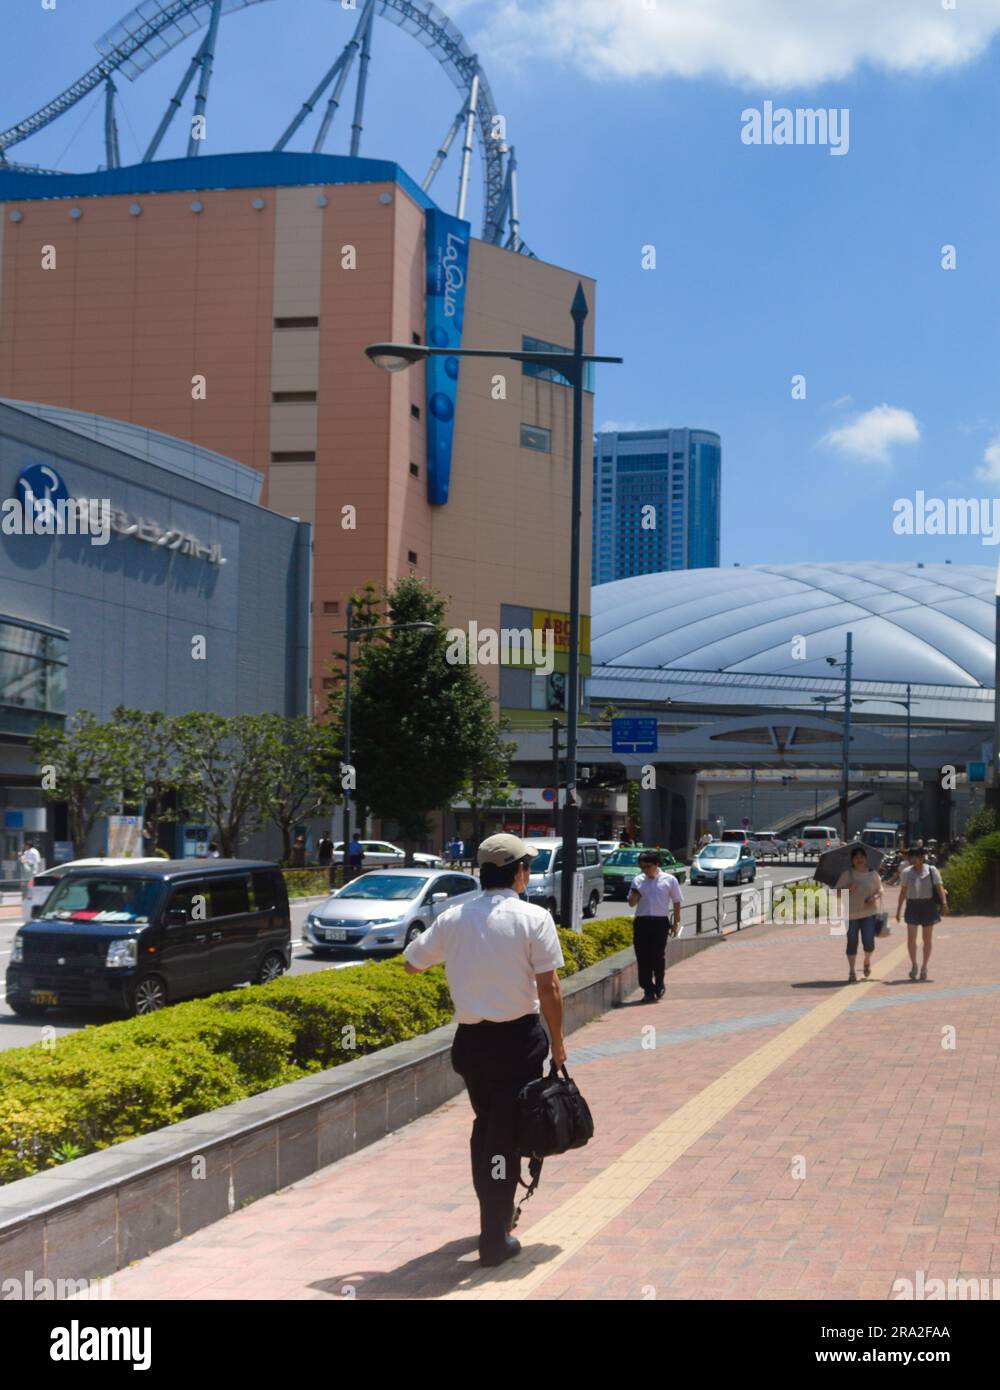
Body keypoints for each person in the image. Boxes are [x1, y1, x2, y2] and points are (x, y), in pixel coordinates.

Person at [404, 833, 565, 1268]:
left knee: (489, 1127)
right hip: (520, 1041)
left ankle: (495, 1220)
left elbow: (412, 963)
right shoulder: (534, 918)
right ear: (517, 874)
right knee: (505, 1135)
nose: (527, 875)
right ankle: (494, 1236)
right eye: (526, 868)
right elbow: (549, 988)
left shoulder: (454, 918)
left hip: (473, 1044)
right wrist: (561, 1046)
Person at [627, 849, 682, 1003]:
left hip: (660, 922)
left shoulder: (669, 880)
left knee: (658, 956)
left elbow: (677, 901)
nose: (644, 870)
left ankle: (659, 983)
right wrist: (635, 894)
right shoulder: (638, 881)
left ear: (656, 864)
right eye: (642, 867)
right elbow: (631, 904)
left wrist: (676, 923)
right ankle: (647, 989)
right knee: (642, 956)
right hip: (642, 922)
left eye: (647, 866)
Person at [895, 844, 947, 982]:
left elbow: (939, 887)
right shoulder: (906, 872)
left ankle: (924, 966)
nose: (913, 859)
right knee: (911, 938)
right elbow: (903, 892)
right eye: (911, 857)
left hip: (928, 906)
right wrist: (898, 910)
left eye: (916, 857)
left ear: (922, 857)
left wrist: (944, 903)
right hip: (912, 906)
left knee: (927, 939)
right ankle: (914, 965)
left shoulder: (931, 870)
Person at [834, 845, 883, 983]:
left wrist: (875, 897)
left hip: (869, 913)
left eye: (862, 857)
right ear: (852, 860)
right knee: (852, 942)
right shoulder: (847, 875)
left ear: (866, 859)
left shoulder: (873, 874)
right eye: (856, 857)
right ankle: (851, 971)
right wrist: (847, 889)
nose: (859, 859)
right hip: (850, 915)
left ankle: (867, 961)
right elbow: (836, 893)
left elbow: (880, 890)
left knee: (869, 943)